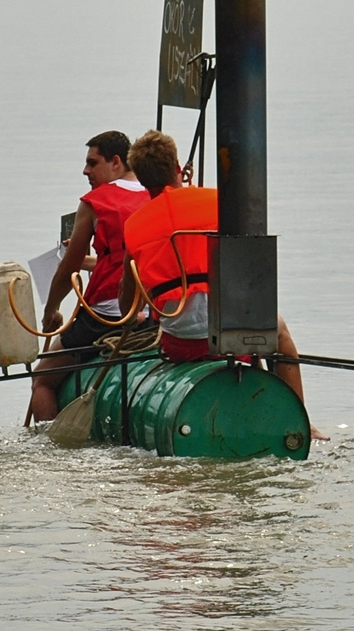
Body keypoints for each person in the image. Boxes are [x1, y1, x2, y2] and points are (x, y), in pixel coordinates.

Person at [120, 130, 321, 432]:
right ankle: (302, 421)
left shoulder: (133, 225)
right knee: (280, 336)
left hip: (181, 342)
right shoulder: (218, 202)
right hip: (231, 332)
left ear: (141, 178)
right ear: (177, 167)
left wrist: (136, 316)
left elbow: (126, 302)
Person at [27, 131, 153, 422]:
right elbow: (128, 260)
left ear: (116, 162)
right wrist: (91, 262)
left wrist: (52, 310)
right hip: (153, 309)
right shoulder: (153, 195)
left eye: (92, 163)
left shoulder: (96, 201)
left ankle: (49, 449)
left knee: (43, 379)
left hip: (107, 315)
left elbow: (66, 270)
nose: (86, 171)